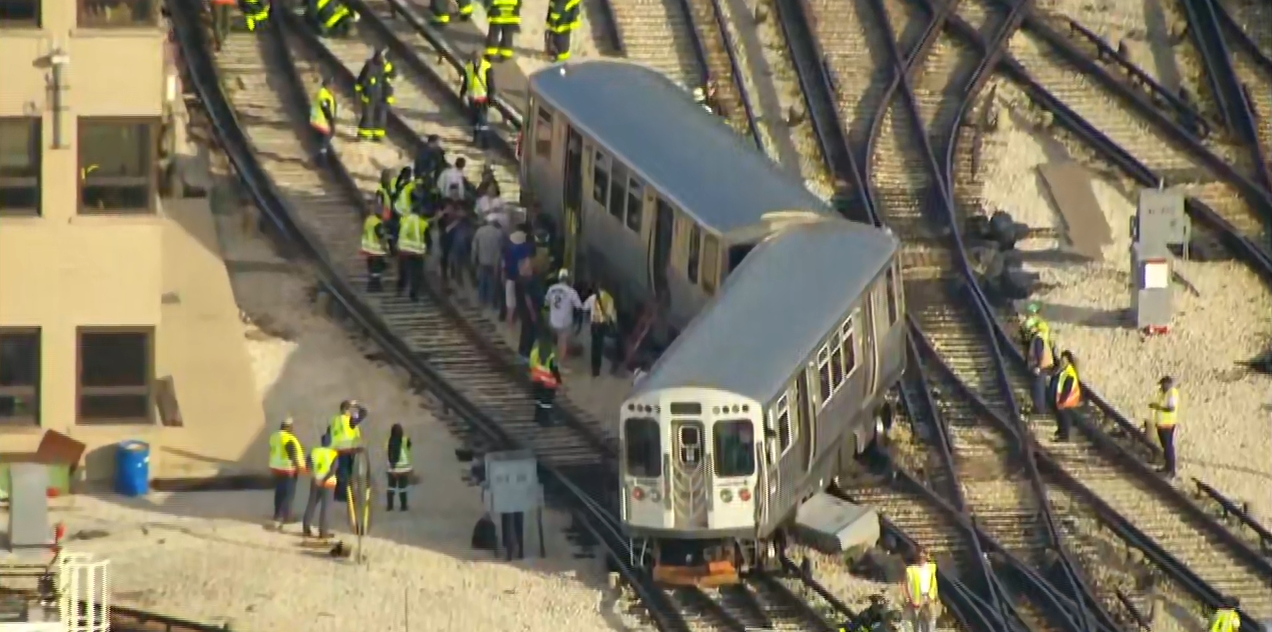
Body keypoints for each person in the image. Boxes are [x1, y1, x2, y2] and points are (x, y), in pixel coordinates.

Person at [268, 417, 305, 530]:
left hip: (276, 468)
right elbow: (292, 453)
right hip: (288, 469)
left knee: (279, 492)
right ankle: (287, 516)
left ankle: (277, 514)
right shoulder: (289, 438)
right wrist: (298, 466)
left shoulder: (274, 437)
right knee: (288, 494)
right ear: (289, 427)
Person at [302, 432, 338, 539]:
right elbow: (332, 470)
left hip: (315, 481)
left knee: (311, 504)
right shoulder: (333, 454)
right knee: (326, 507)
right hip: (328, 483)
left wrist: (316, 477)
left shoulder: (314, 452)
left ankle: (306, 528)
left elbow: (307, 466)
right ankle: (323, 532)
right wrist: (324, 480)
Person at [355, 48, 396, 141]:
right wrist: (359, 93)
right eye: (381, 56)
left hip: (382, 96)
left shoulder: (387, 66)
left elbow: (392, 76)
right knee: (368, 116)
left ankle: (377, 136)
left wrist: (388, 96)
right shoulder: (370, 65)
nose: (382, 58)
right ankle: (364, 135)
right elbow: (362, 79)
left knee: (381, 116)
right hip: (369, 95)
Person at [329, 400, 365, 502]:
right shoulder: (349, 420)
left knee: (341, 471)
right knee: (347, 472)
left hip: (338, 448)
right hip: (349, 448)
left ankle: (339, 493)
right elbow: (364, 412)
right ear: (346, 410)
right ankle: (345, 495)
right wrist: (356, 405)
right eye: (350, 409)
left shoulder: (335, 420)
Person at [545, 269, 582, 361]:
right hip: (564, 322)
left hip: (553, 320)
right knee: (563, 342)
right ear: (568, 279)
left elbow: (546, 303)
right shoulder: (571, 291)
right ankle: (560, 364)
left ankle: (553, 359)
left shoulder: (551, 288)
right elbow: (579, 306)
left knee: (557, 341)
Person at [460, 51, 494, 147]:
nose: (475, 61)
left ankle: (485, 142)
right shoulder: (468, 67)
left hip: (482, 99)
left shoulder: (487, 67)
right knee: (474, 121)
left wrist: (490, 97)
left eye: (476, 59)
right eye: (473, 59)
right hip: (472, 98)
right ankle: (476, 139)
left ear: (480, 59)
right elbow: (466, 82)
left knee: (482, 121)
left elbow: (491, 84)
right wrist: (462, 94)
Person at [1149, 376, 1180, 477]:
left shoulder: (1172, 393)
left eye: (1162, 385)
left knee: (1168, 446)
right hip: (1162, 424)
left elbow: (1170, 408)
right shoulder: (1164, 393)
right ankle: (1167, 467)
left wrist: (1157, 407)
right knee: (1165, 447)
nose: (1161, 387)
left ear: (1167, 383)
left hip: (1168, 424)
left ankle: (1171, 470)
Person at [472, 216, 506, 312]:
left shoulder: (479, 231)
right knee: (492, 283)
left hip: (482, 261)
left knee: (482, 281)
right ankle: (492, 304)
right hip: (494, 262)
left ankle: (482, 302)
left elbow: (475, 247)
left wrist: (474, 260)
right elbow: (501, 249)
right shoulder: (499, 233)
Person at [583, 283, 617, 377]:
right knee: (600, 346)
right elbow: (611, 314)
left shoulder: (592, 297)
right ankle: (598, 369)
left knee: (594, 346)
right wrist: (614, 323)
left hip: (594, 325)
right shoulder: (609, 298)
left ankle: (594, 369)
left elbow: (584, 307)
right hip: (602, 325)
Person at [396, 206, 429, 301]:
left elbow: (398, 232)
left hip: (404, 250)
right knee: (417, 273)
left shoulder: (403, 220)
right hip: (418, 252)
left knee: (403, 270)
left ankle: (400, 288)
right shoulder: (423, 223)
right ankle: (414, 294)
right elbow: (427, 239)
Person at [902, 548, 938, 632]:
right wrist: (910, 599)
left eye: (924, 554)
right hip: (917, 598)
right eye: (920, 554)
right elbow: (905, 585)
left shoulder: (932, 567)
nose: (922, 556)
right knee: (918, 622)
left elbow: (934, 582)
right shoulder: (911, 569)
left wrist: (932, 596)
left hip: (929, 597)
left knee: (931, 620)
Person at [529, 335, 563, 426]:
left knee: (539, 400)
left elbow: (531, 364)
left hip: (536, 379)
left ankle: (537, 417)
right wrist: (559, 382)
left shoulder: (535, 351)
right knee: (546, 402)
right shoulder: (551, 354)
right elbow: (554, 369)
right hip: (547, 383)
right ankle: (545, 420)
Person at [1025, 320, 1054, 414]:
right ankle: (1039, 407)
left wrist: (1038, 366)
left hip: (1040, 367)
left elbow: (1039, 353)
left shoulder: (1038, 339)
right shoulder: (1041, 338)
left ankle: (1039, 408)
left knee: (1038, 388)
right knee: (1039, 387)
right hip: (1043, 366)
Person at [1052, 350, 1082, 442]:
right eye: (1061, 360)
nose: (1062, 362)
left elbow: (1067, 388)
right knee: (1062, 416)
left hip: (1068, 399)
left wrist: (1062, 400)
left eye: (1064, 360)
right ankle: (1061, 432)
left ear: (1068, 361)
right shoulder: (1065, 370)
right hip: (1065, 399)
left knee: (1065, 417)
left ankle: (1064, 436)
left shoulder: (1069, 372)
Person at [360, 208, 389, 292]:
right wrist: (386, 249)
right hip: (376, 250)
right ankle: (375, 287)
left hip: (367, 248)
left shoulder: (369, 219)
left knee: (371, 269)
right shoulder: (378, 223)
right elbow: (381, 237)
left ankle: (371, 286)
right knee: (376, 270)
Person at [386, 423, 413, 511]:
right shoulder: (406, 440)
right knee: (403, 488)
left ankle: (390, 506)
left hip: (393, 469)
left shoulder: (389, 441)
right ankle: (403, 506)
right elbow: (409, 445)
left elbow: (388, 452)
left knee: (391, 487)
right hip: (404, 468)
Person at [309, 77, 337, 158]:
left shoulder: (327, 93)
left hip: (321, 119)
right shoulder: (323, 94)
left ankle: (321, 153)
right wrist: (331, 121)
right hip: (320, 120)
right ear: (327, 85)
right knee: (327, 134)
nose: (333, 87)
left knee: (327, 136)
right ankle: (321, 157)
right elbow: (326, 108)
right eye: (331, 85)